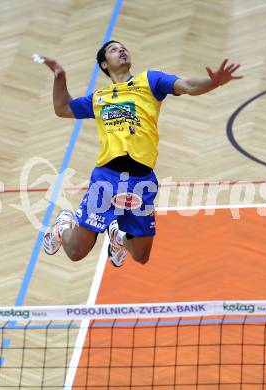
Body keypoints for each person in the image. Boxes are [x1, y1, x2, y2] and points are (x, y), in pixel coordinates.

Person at [42, 40, 243, 267]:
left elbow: (187, 85)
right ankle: (63, 226)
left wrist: (213, 82)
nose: (122, 50)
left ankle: (118, 235)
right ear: (104, 64)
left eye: (123, 47)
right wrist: (60, 77)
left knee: (141, 256)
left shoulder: (150, 81)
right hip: (107, 178)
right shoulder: (99, 98)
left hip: (141, 179)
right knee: (76, 252)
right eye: (113, 49)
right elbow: (63, 108)